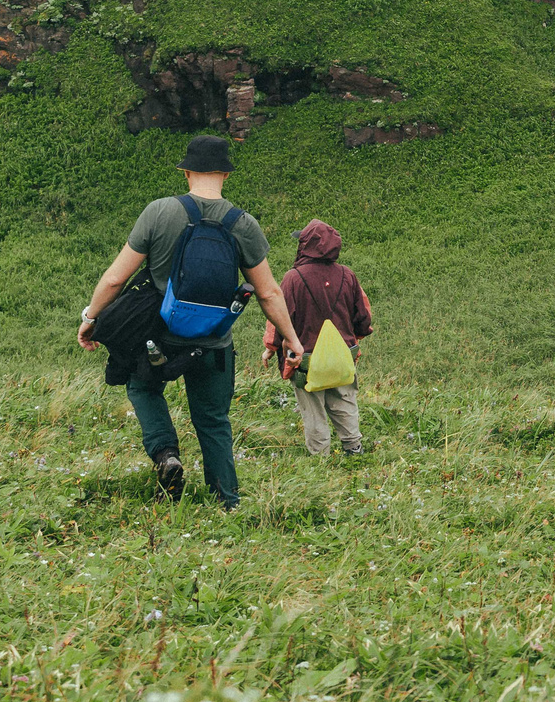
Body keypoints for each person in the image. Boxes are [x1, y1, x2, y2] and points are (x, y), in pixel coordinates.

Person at [78, 134, 304, 509]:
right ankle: (227, 502)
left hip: (158, 337)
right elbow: (268, 293)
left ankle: (166, 454)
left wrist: (91, 317)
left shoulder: (159, 212)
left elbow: (116, 279)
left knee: (142, 387)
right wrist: (291, 338)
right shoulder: (243, 223)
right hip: (213, 342)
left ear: (186, 173)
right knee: (213, 420)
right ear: (225, 175)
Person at [263, 218, 376, 456]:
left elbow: (279, 317)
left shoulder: (293, 278)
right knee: (344, 401)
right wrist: (354, 338)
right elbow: (363, 315)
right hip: (342, 356)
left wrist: (271, 347)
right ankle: (354, 448)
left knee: (313, 409)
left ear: (306, 246)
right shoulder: (347, 275)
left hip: (305, 359)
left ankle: (320, 457)